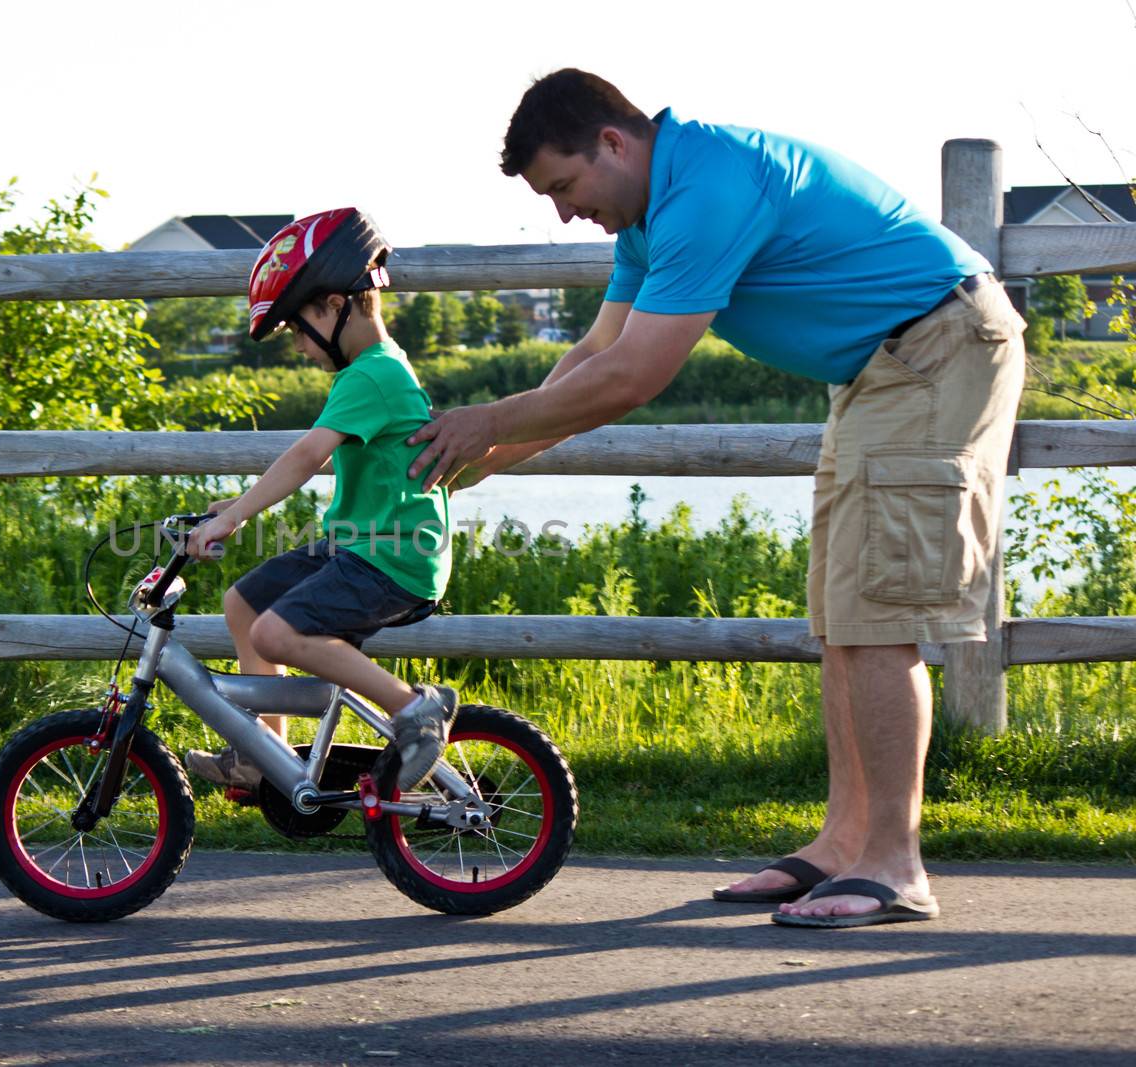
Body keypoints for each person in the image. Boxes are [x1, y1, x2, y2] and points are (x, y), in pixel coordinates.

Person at [406, 69, 1025, 928]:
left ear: (613, 144)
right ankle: (843, 846)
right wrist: (493, 453)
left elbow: (635, 378)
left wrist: (488, 421)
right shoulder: (649, 214)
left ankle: (897, 863)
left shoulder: (709, 185)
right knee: (841, 617)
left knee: (879, 616)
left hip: (937, 347)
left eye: (563, 185)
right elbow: (595, 354)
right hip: (878, 369)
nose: (561, 212)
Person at [182, 207, 457, 793]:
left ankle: (416, 710)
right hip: (357, 548)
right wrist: (237, 502)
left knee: (276, 635)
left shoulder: (372, 373)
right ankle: (265, 755)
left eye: (296, 327)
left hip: (392, 558)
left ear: (334, 305)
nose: (298, 346)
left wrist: (233, 519)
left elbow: (307, 456)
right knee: (244, 606)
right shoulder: (370, 372)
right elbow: (338, 458)